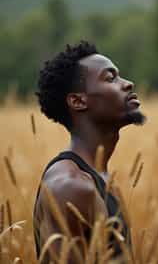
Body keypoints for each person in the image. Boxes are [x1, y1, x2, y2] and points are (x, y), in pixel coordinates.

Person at [33, 41, 146, 263]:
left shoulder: (98, 178)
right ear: (77, 101)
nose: (128, 84)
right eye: (110, 78)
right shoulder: (71, 186)